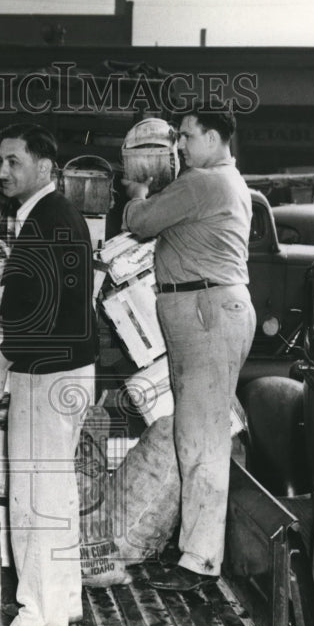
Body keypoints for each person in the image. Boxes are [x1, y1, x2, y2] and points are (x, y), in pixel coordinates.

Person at [0, 123, 97, 626]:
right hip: (67, 372)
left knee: (34, 502)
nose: (2, 171)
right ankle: (64, 601)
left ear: (44, 167)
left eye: (13, 161)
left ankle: (42, 619)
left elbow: (40, 311)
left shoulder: (45, 219)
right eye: (1, 161)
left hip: (45, 377)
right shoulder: (55, 216)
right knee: (58, 497)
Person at [119, 107, 256, 592]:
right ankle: (192, 550)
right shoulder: (223, 180)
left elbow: (142, 221)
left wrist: (137, 195)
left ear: (214, 138)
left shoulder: (204, 182)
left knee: (202, 441)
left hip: (207, 313)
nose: (179, 144)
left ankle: (199, 562)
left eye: (187, 136)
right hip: (206, 310)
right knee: (196, 434)